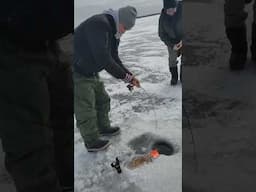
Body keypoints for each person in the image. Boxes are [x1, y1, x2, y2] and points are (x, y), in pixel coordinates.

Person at [0, 1, 74, 192]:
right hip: (11, 39)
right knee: (29, 141)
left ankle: (67, 182)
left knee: (64, 120)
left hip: (49, 38)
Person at [73, 6, 140, 152]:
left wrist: (129, 77)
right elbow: (103, 58)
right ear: (119, 20)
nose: (124, 31)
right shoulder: (99, 24)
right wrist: (125, 76)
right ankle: (91, 141)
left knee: (102, 100)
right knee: (86, 107)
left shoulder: (113, 32)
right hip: (77, 71)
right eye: (124, 27)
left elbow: (114, 58)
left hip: (91, 71)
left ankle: (103, 127)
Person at [224, 0, 256, 70]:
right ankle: (240, 57)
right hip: (237, 23)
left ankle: (237, 57)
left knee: (237, 44)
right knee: (240, 43)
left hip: (230, 23)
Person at [158, 0, 183, 85]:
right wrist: (172, 45)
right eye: (169, 11)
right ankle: (174, 77)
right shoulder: (163, 17)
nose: (172, 12)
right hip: (171, 42)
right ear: (165, 10)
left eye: (173, 9)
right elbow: (161, 34)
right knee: (172, 60)